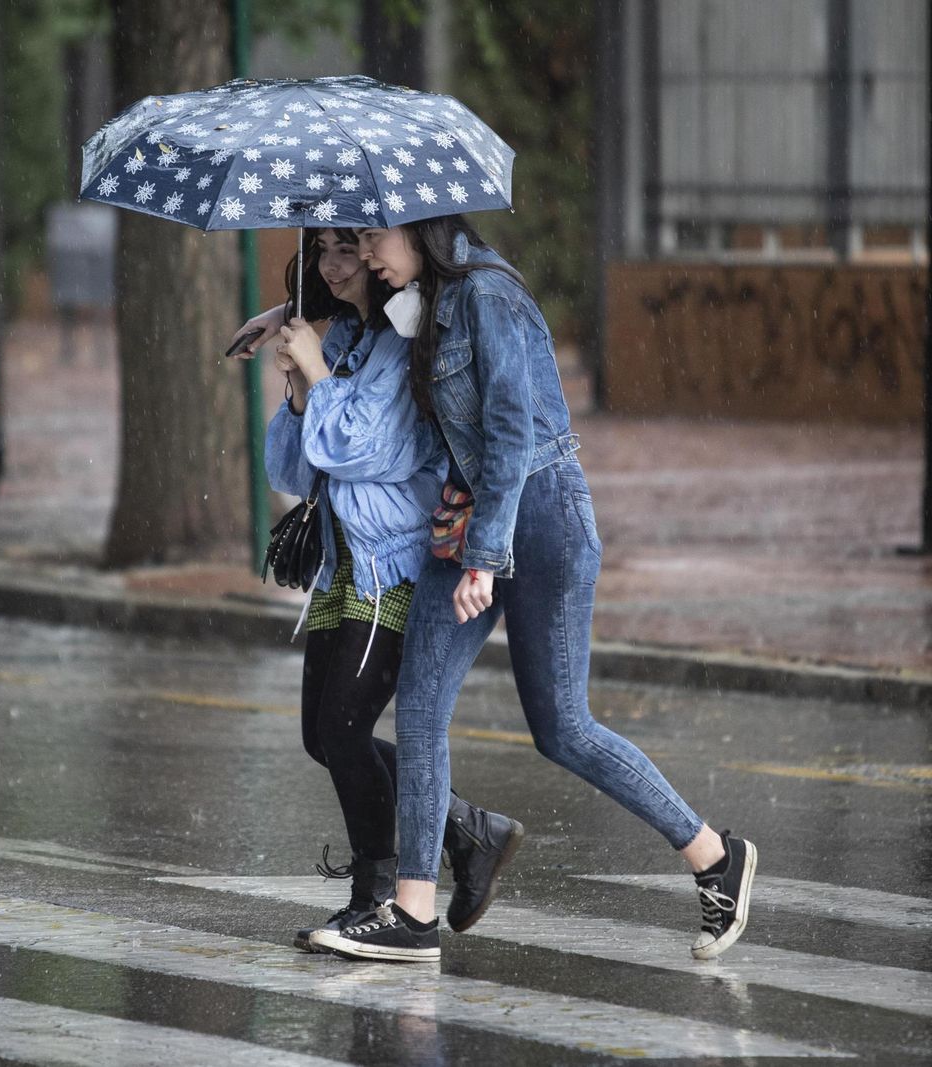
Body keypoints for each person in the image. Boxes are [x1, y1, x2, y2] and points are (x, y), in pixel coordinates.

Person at [314, 216, 756, 964]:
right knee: (420, 706)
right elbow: (370, 336)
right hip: (468, 510)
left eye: (371, 239)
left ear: (417, 228)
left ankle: (715, 856)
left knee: (562, 729)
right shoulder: (420, 298)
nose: (363, 256)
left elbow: (513, 431)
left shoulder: (488, 296)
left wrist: (486, 558)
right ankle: (414, 913)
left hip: (542, 515)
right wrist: (291, 313)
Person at [237, 228, 523, 956]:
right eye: (323, 252)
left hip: (395, 560)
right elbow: (292, 472)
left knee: (344, 727)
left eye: (348, 248)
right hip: (344, 560)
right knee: (321, 736)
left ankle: (375, 894)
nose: (336, 265)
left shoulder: (402, 344)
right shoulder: (346, 340)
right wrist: (299, 390)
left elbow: (368, 449)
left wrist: (317, 375)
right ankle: (466, 828)